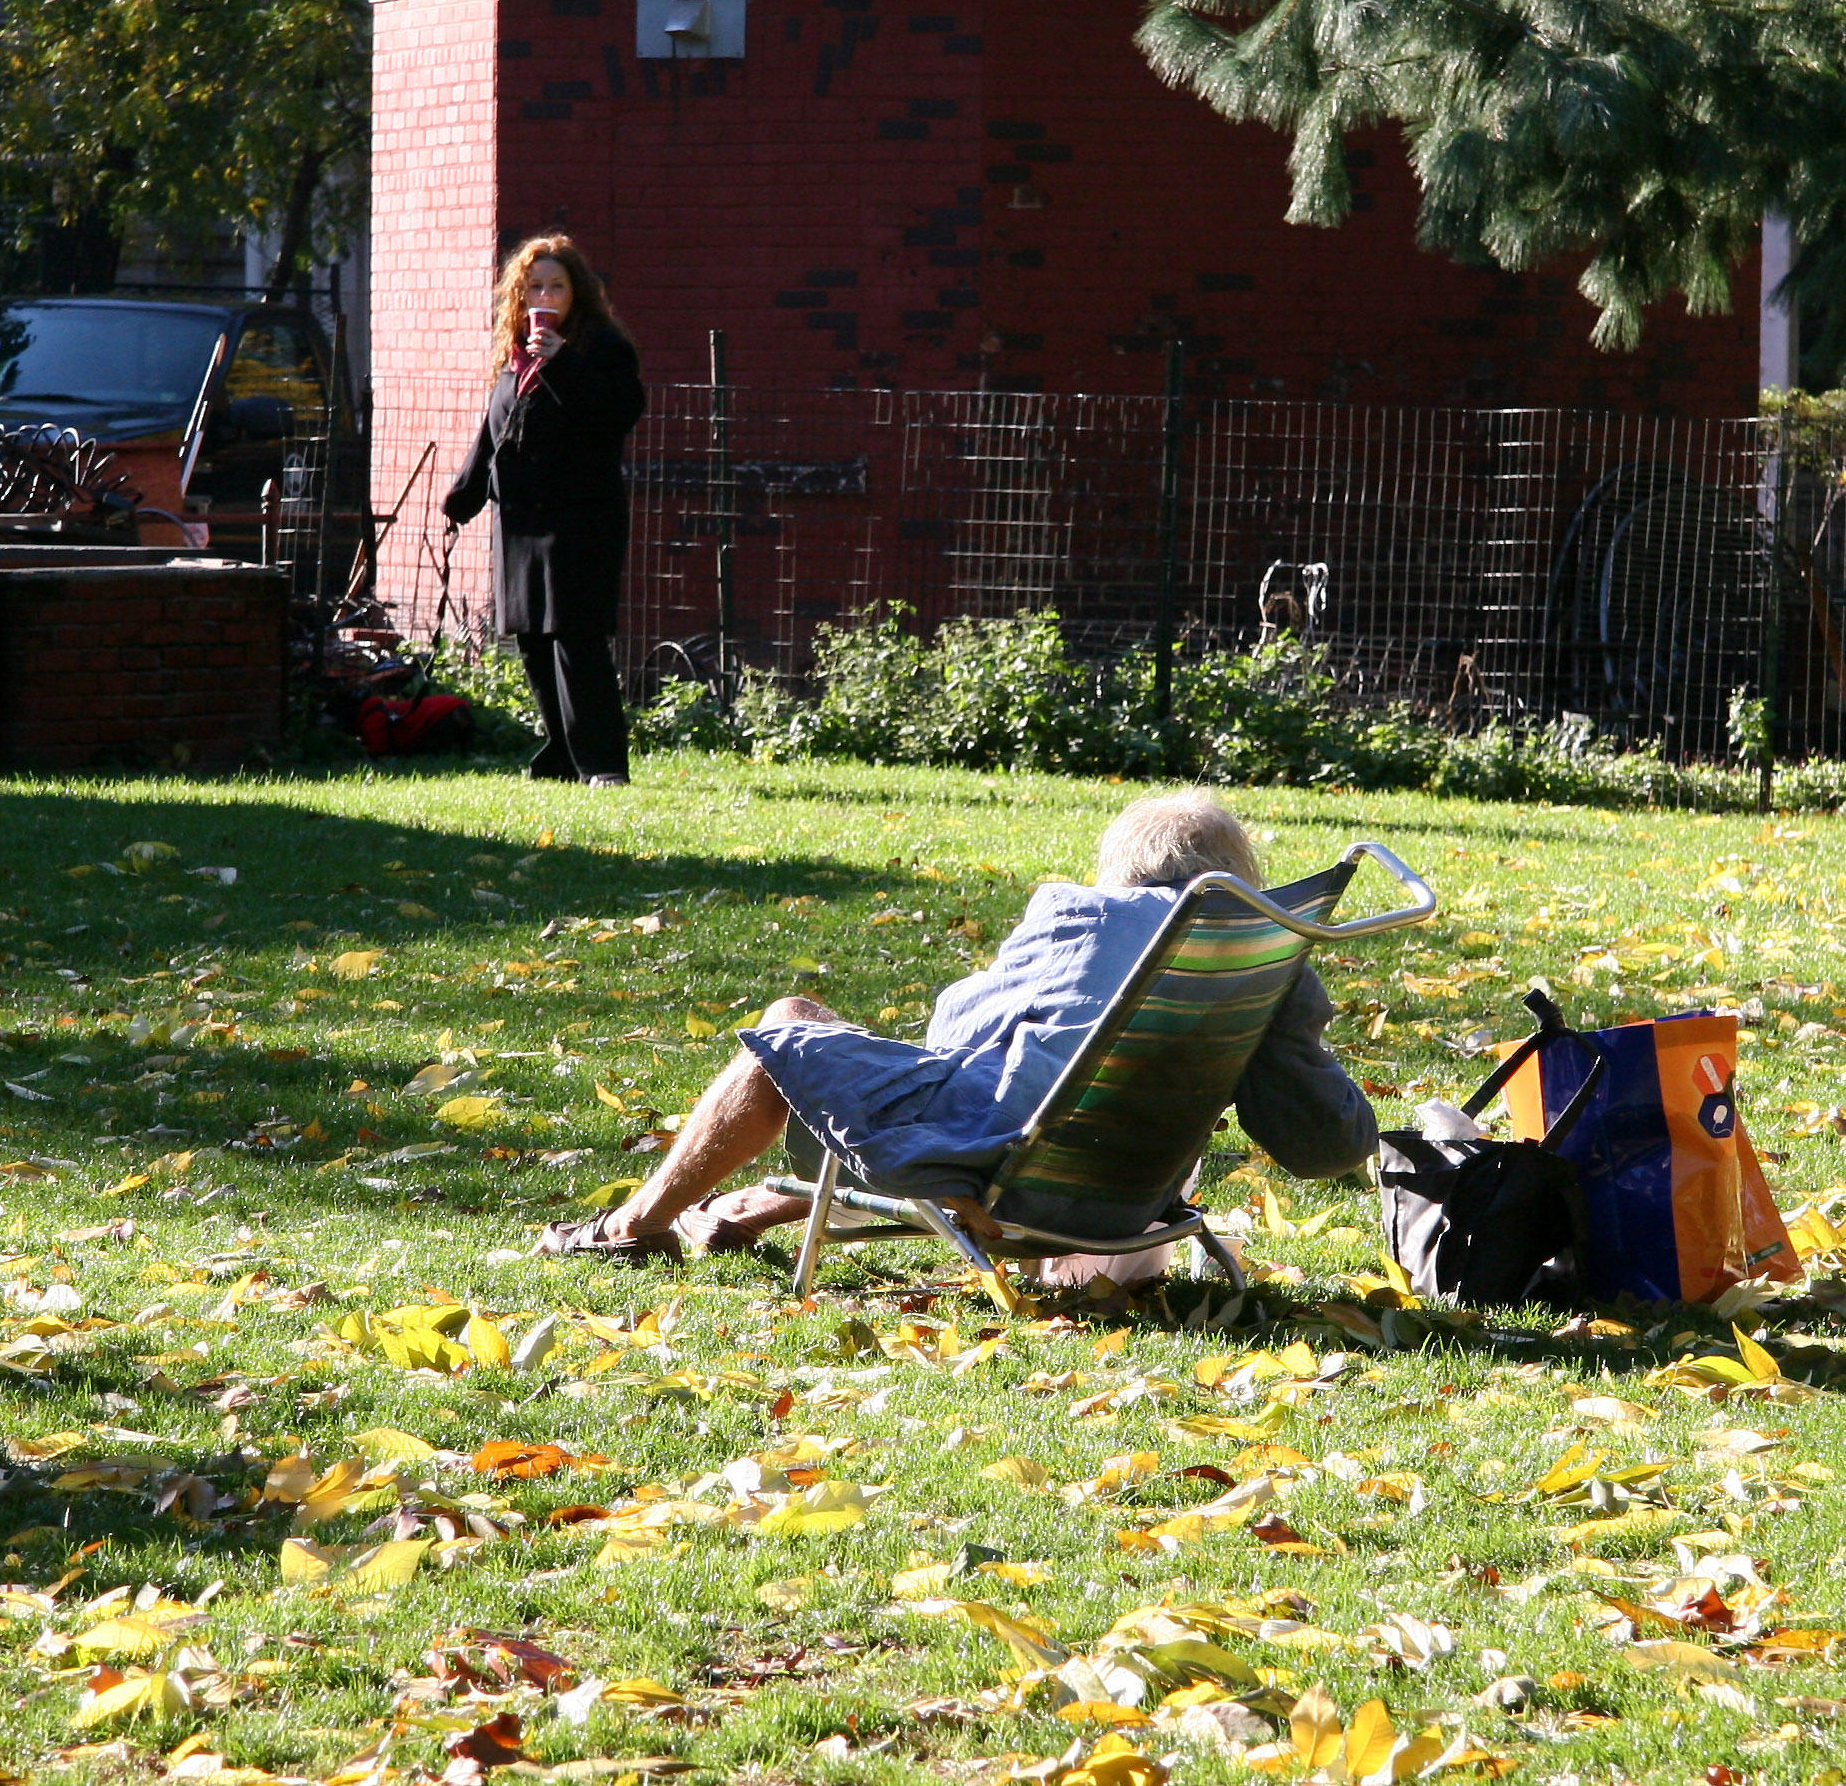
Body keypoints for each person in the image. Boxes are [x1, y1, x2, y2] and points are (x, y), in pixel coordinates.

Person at [534, 789, 1377, 1262]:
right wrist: (1365, 1124)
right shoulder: (1260, 966)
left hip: (992, 1188)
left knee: (791, 1026)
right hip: (1124, 1201)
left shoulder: (1073, 922)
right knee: (947, 1111)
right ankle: (751, 1207)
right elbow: (1323, 1148)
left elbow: (953, 1045)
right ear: (1239, 880)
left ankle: (628, 1229)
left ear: (1115, 877)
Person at [442, 235, 644, 784]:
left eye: (557, 286)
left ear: (577, 293)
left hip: (580, 517)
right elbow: (495, 429)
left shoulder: (600, 346)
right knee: (532, 637)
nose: (545, 297)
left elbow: (620, 411)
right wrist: (463, 494)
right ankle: (561, 755)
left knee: (576, 635)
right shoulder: (516, 351)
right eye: (535, 287)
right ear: (519, 293)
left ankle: (602, 765)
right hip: (521, 520)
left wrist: (566, 365)